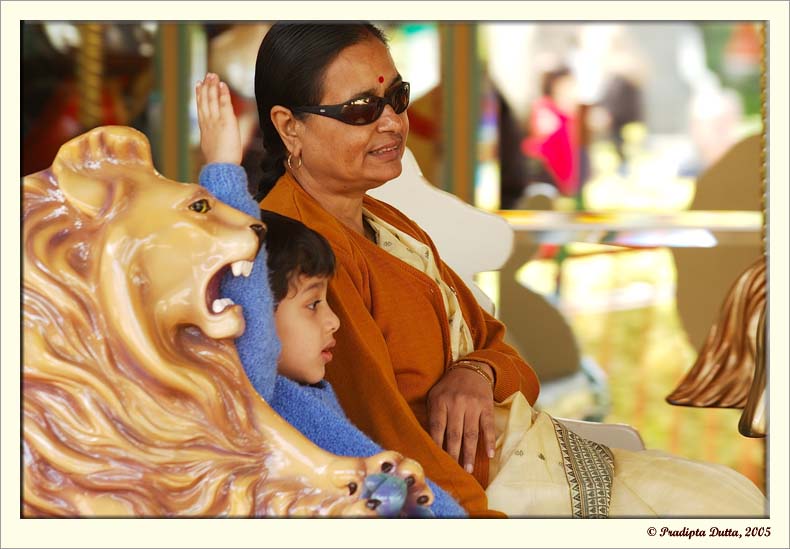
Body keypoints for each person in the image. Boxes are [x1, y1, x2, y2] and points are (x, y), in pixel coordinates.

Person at [195, 23, 765, 518]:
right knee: (724, 510)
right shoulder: (303, 257)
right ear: (289, 126)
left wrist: (476, 375)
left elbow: (504, 351)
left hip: (527, 451)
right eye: (362, 110)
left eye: (396, 96)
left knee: (731, 496)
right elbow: (376, 434)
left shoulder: (389, 221)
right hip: (479, 492)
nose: (394, 122)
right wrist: (470, 522)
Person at [196, 152, 466, 518]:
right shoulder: (259, 400)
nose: (333, 321)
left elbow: (377, 485)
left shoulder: (306, 397)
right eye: (312, 305)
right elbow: (247, 291)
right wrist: (224, 168)